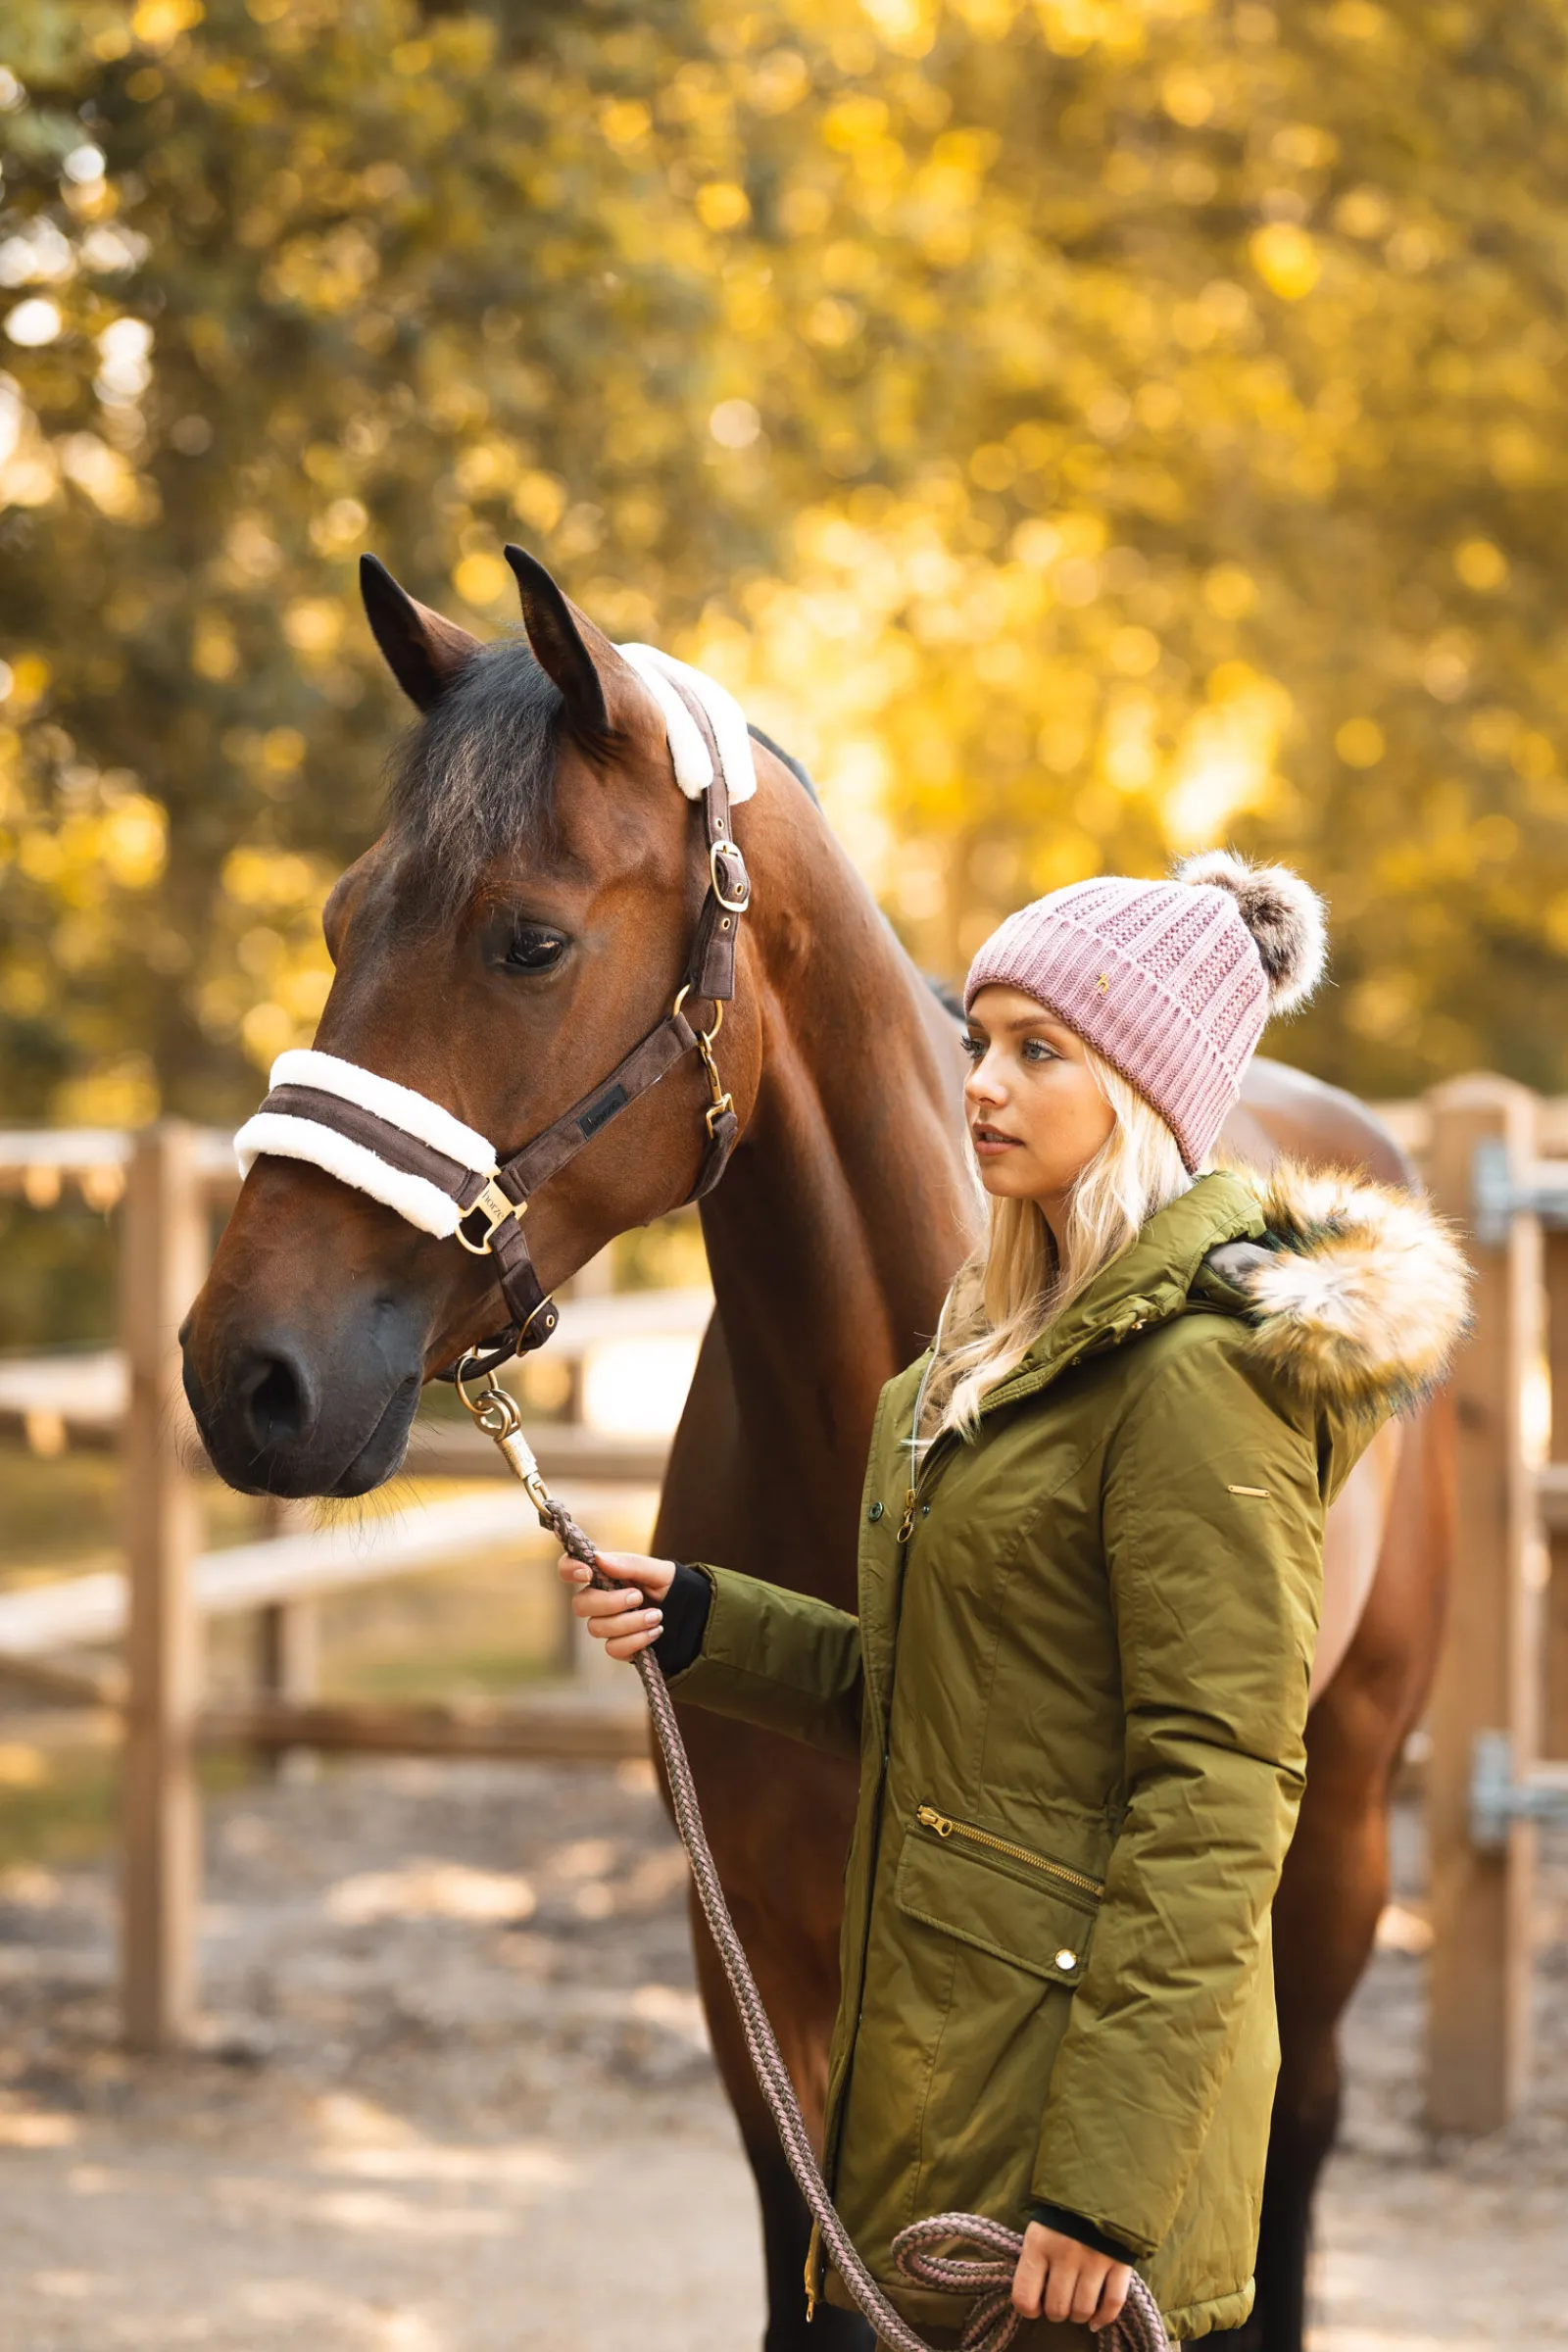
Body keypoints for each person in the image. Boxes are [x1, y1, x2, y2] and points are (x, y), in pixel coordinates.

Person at [558, 853, 1468, 2347]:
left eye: (1039, 1052)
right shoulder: (970, 1368)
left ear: (1145, 1093)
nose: (979, 1083)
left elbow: (1218, 1795)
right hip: (957, 2074)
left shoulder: (1198, 1388)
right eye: (980, 1040)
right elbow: (949, 1698)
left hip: (1088, 2151)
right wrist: (713, 1623)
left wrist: (1103, 2199)